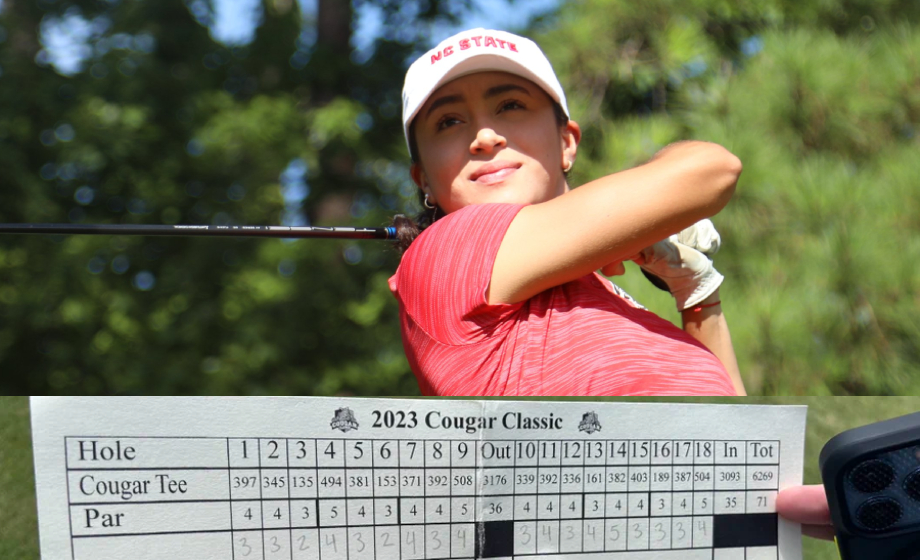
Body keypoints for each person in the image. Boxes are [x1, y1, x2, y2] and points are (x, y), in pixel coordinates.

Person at [388, 28, 746, 396]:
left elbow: (742, 435)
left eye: (510, 105)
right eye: (448, 121)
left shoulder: (608, 298)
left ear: (566, 142)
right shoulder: (448, 254)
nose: (485, 137)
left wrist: (696, 294)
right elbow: (713, 168)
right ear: (423, 180)